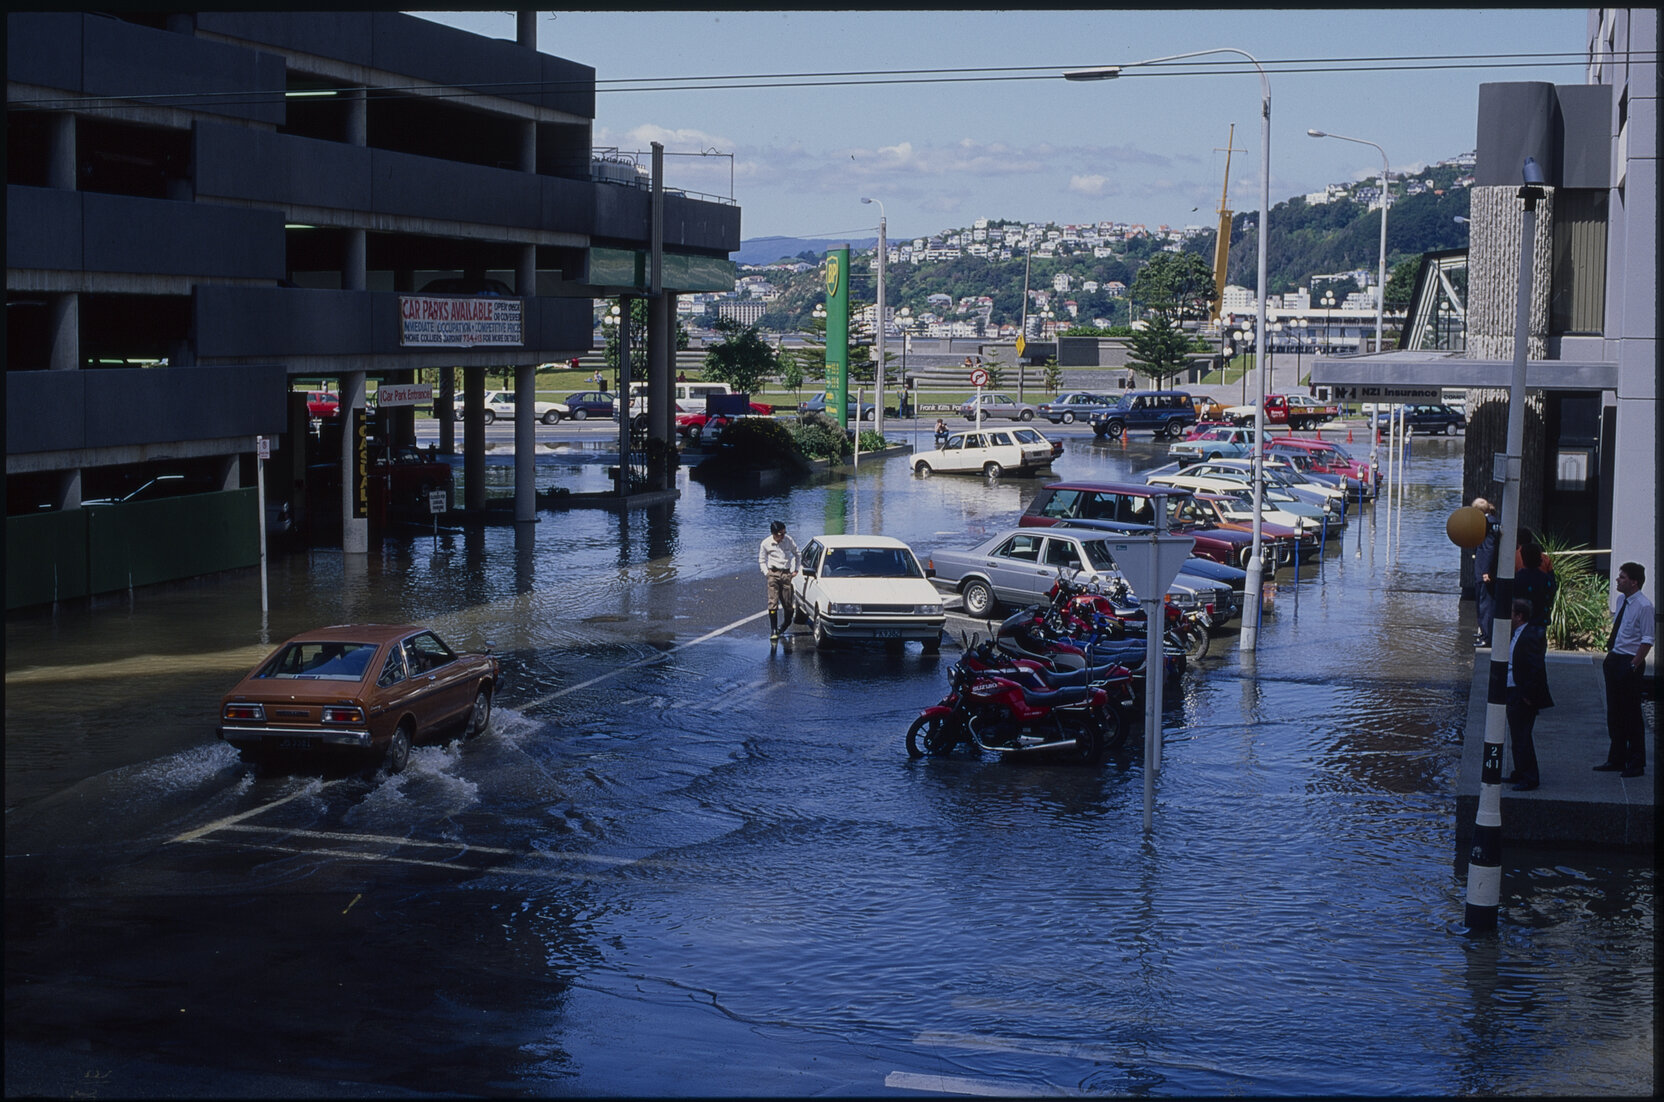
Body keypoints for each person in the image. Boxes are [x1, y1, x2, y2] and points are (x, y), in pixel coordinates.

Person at [1596, 562, 1653, 777]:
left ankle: (1636, 762)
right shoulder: (1622, 601)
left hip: (1630, 662)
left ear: (1634, 581)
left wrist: (1633, 665)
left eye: (1622, 577)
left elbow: (1647, 640)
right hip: (1615, 658)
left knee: (1631, 714)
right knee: (1615, 713)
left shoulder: (1644, 606)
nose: (1618, 580)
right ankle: (1617, 757)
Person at [1505, 597, 1553, 791]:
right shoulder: (1515, 633)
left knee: (1523, 736)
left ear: (1519, 616)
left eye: (1511, 613)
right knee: (1516, 736)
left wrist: (1527, 694)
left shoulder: (1532, 636)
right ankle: (1519, 771)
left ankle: (1530, 777)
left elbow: (1536, 668)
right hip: (1512, 689)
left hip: (1521, 692)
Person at [758, 519, 799, 641]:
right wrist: (767, 573)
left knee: (788, 605)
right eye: (781, 534)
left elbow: (797, 554)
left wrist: (795, 570)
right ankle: (774, 630)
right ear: (774, 533)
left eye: (784, 533)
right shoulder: (766, 543)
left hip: (786, 574)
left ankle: (786, 623)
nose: (783, 536)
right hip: (773, 573)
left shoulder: (788, 540)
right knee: (773, 602)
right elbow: (761, 560)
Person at [1471, 497, 1501, 646]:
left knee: (1485, 603)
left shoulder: (1489, 524)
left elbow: (1489, 548)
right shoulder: (1491, 522)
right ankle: (1484, 631)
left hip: (1484, 569)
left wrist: (1486, 571)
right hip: (1483, 567)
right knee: (1482, 601)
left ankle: (1487, 637)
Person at [1514, 541, 1556, 629]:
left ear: (1523, 557)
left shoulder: (1516, 579)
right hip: (1541, 622)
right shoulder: (1546, 579)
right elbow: (1552, 593)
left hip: (1521, 623)